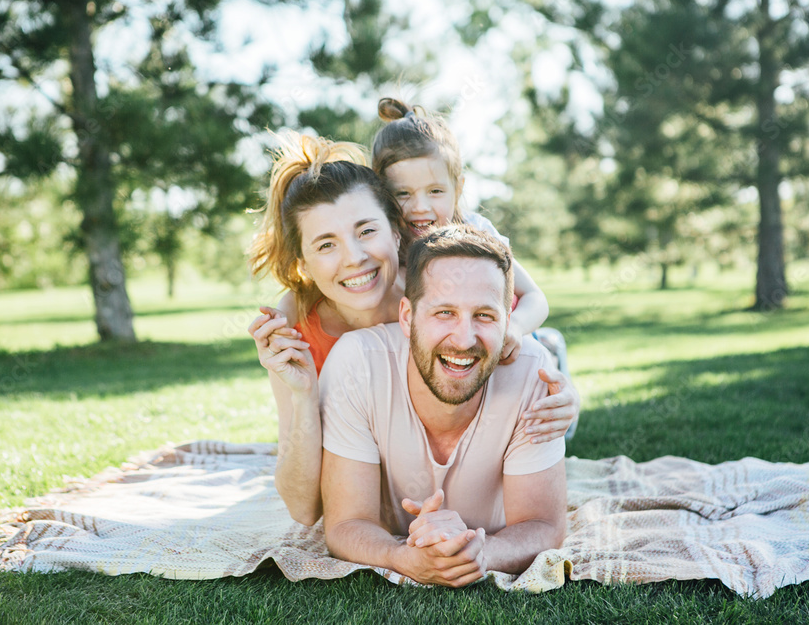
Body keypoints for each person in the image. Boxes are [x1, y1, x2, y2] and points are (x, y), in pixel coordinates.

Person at [247, 133, 578, 525]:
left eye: (366, 231)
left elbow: (509, 365)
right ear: (303, 263)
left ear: (396, 230)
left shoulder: (435, 291)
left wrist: (560, 394)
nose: (354, 258)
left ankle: (551, 346)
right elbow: (305, 510)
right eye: (326, 245)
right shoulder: (294, 336)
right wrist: (304, 397)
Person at [320, 224, 566, 587]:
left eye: (484, 315)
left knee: (561, 399)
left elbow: (544, 524)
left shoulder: (534, 371)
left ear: (508, 321)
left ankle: (557, 348)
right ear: (407, 317)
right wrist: (400, 557)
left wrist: (480, 554)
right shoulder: (357, 363)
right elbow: (346, 523)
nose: (464, 340)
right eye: (445, 313)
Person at [372, 97, 549, 364]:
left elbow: (535, 297)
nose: (420, 207)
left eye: (435, 191)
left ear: (458, 188)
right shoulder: (385, 245)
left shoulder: (477, 232)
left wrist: (517, 326)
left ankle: (549, 344)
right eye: (403, 194)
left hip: (507, 346)